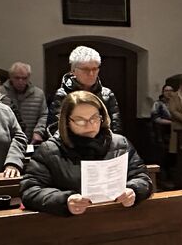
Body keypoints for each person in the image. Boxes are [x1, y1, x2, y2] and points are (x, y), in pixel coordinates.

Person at [20, 91, 152, 216]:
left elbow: (142, 177)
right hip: (68, 225)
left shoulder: (120, 144)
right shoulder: (49, 150)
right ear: (67, 122)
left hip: (116, 219)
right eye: (80, 120)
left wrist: (133, 190)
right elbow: (30, 190)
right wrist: (64, 200)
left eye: (94, 118)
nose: (89, 125)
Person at [46, 45, 122, 134]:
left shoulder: (107, 94)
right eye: (85, 69)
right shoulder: (62, 94)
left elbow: (115, 128)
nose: (91, 73)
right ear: (73, 71)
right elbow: (55, 127)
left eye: (94, 69)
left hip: (103, 141)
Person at [0, 61, 48, 144]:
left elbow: (43, 115)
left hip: (30, 139)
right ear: (11, 77)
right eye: (17, 78)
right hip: (7, 140)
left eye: (24, 78)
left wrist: (38, 132)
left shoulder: (39, 94)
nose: (20, 81)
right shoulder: (0, 93)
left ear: (28, 77)